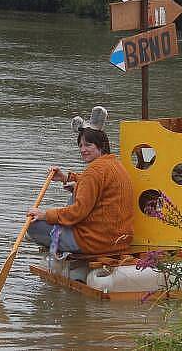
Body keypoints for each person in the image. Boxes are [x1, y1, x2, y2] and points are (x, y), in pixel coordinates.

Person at [27, 106, 134, 255]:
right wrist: (66, 178)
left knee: (32, 226)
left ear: (101, 145)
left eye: (88, 145)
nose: (83, 150)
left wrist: (45, 214)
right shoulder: (115, 164)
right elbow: (94, 183)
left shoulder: (93, 171)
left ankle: (62, 249)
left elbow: (78, 212)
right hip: (119, 238)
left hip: (96, 241)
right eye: (81, 145)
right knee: (73, 193)